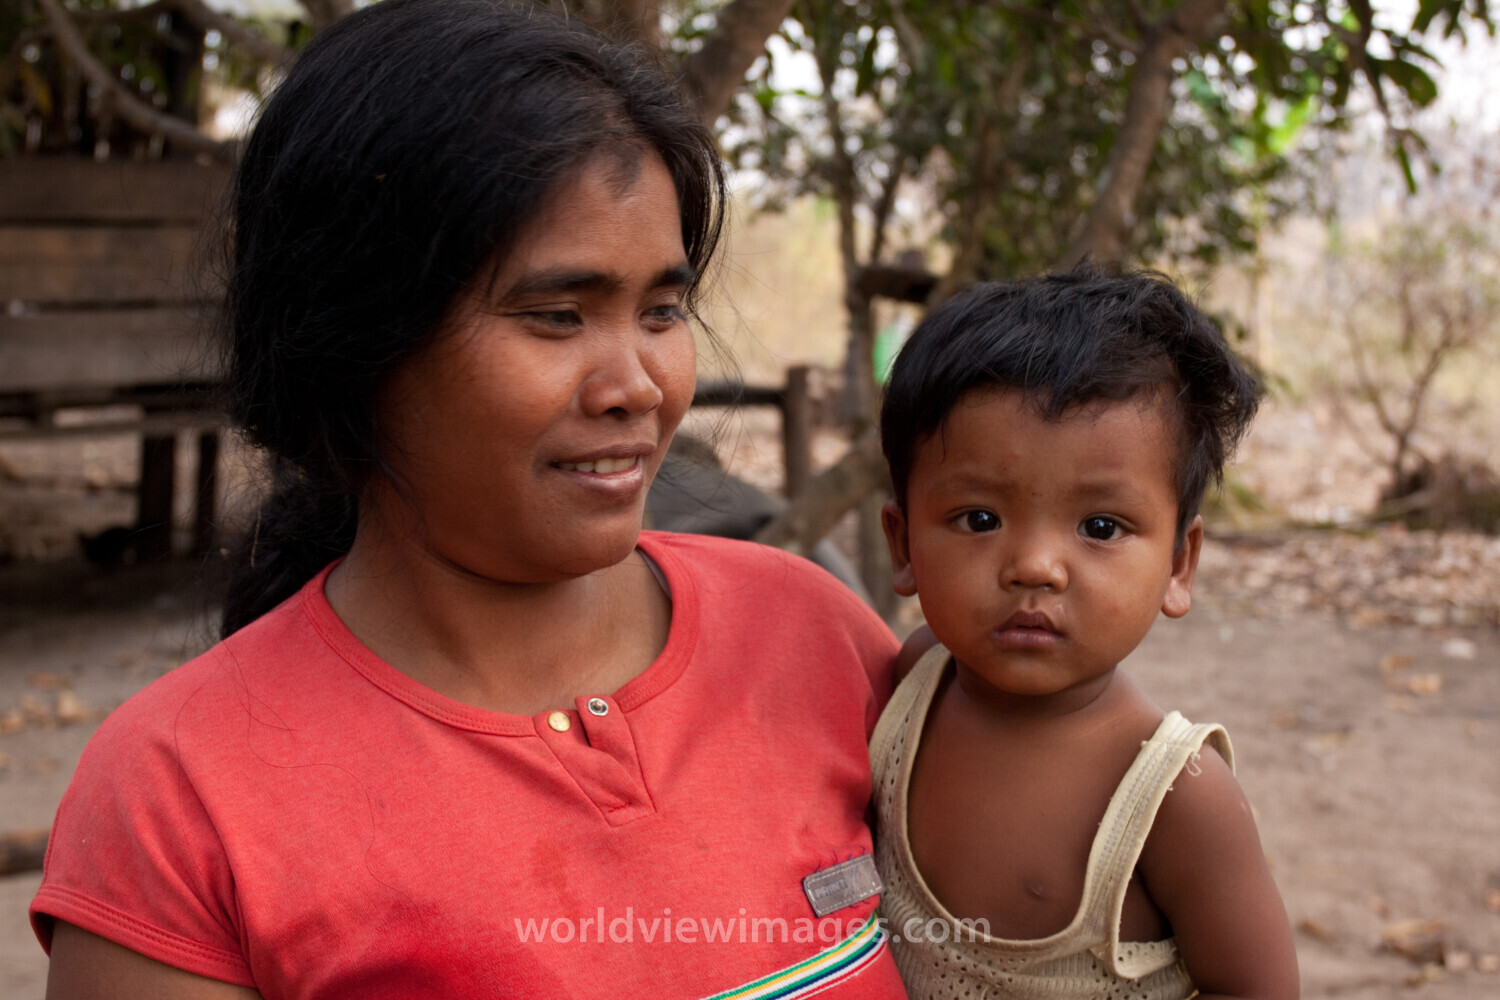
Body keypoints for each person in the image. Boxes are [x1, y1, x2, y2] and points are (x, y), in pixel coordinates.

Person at [30, 2, 908, 997]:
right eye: (555, 316)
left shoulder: (813, 639)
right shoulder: (180, 795)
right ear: (357, 343)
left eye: (662, 310)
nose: (638, 382)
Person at [871, 268, 1299, 999]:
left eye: (1100, 527)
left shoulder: (1176, 797)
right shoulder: (909, 690)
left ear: (1178, 563)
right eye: (980, 519)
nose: (1035, 567)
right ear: (904, 544)